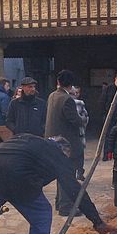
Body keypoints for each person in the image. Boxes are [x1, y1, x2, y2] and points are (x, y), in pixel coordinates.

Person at [45, 70, 85, 216]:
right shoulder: (67, 99)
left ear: (58, 82)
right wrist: (83, 119)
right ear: (71, 84)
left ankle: (59, 202)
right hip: (65, 143)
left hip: (52, 141)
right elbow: (75, 120)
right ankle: (66, 206)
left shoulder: (52, 96)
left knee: (60, 172)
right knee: (68, 174)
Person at [71, 85, 89, 180]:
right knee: (77, 154)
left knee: (78, 154)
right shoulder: (77, 103)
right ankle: (77, 172)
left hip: (77, 132)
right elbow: (85, 118)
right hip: (76, 132)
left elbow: (85, 117)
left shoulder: (79, 103)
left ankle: (79, 172)